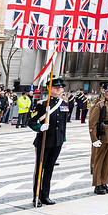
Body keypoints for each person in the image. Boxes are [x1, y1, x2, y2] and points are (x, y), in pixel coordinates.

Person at [28, 78, 69, 206]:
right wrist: (39, 128)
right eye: (55, 88)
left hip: (57, 141)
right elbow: (31, 121)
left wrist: (63, 138)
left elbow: (63, 123)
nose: (58, 90)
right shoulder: (42, 104)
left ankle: (46, 195)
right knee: (40, 169)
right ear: (49, 89)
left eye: (60, 88)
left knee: (50, 169)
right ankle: (37, 196)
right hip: (44, 141)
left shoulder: (64, 103)